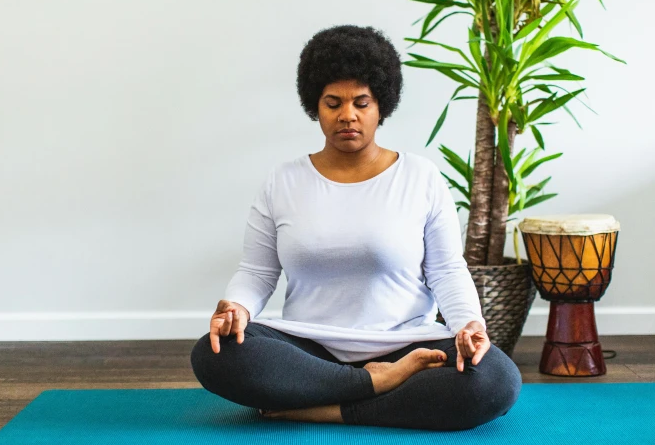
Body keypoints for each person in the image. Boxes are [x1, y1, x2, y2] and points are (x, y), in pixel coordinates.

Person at [190, 24, 522, 431]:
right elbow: (258, 272)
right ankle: (374, 383)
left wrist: (468, 324)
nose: (347, 115)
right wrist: (236, 308)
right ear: (316, 107)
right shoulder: (284, 180)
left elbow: (447, 270)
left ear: (381, 105)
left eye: (361, 103)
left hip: (406, 344)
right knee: (215, 353)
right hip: (310, 348)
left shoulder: (421, 177)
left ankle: (331, 407)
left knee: (496, 380)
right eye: (333, 103)